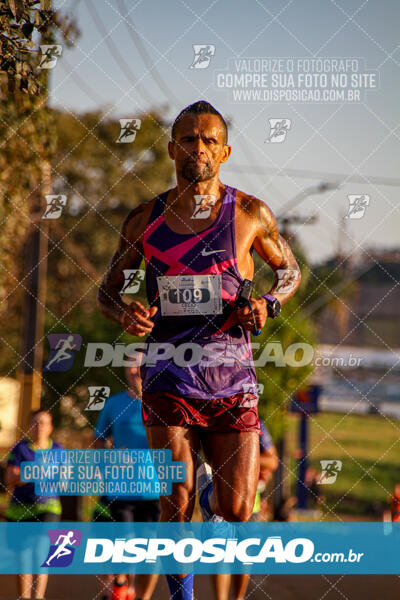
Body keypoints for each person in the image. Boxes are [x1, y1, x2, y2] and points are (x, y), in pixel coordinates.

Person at [97, 100, 301, 600]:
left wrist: (269, 304)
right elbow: (107, 290)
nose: (199, 148)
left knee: (237, 509)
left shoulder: (251, 212)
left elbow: (290, 271)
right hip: (168, 371)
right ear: (172, 148)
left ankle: (215, 495)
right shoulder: (145, 219)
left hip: (232, 376)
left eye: (210, 140)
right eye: (189, 139)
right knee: (175, 500)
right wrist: (125, 312)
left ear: (226, 151)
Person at [92, 362, 160, 600]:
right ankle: (121, 585)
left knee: (150, 550)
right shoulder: (113, 404)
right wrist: (105, 466)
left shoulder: (161, 402)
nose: (134, 371)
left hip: (156, 491)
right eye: (129, 367)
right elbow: (99, 438)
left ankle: (142, 596)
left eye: (139, 366)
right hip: (121, 489)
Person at [211, 421, 279, 600]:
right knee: (219, 555)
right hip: (217, 498)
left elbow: (272, 461)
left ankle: (239, 598)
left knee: (243, 556)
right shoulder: (208, 413)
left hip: (250, 502)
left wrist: (245, 456)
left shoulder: (254, 421)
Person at [6, 409, 63, 600]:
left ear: (50, 427)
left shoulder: (58, 450)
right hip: (19, 510)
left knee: (41, 553)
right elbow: (10, 477)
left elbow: (64, 479)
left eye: (44, 423)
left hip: (48, 508)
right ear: (30, 427)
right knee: (23, 561)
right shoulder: (20, 449)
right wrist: (38, 471)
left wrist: (27, 472)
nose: (39, 427)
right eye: (35, 423)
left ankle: (38, 597)